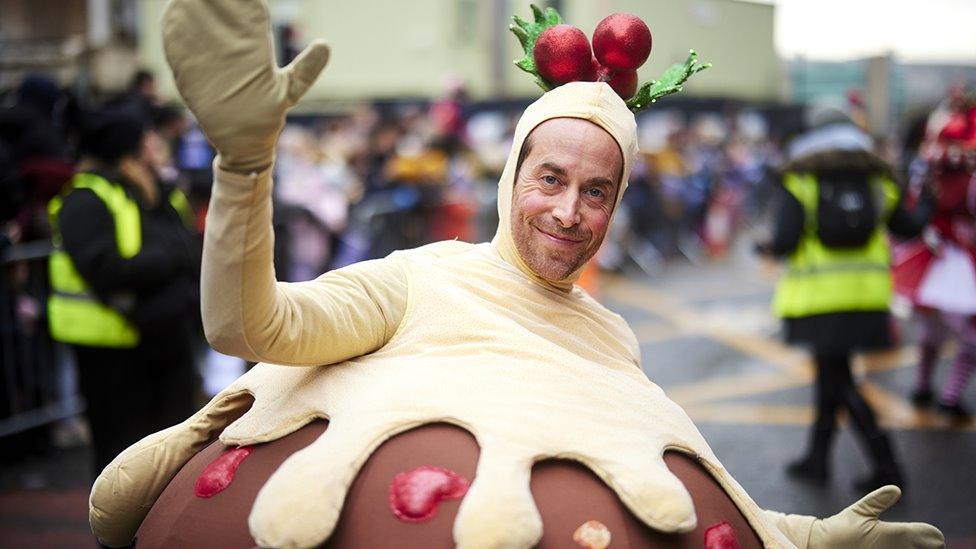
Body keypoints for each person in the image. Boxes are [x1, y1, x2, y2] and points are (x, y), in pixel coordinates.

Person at [88, 2, 943, 548]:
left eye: (596, 191)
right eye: (551, 179)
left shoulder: (613, 335)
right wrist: (245, 165)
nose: (570, 211)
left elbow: (676, 482)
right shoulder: (415, 279)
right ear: (512, 180)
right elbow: (249, 328)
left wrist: (802, 536)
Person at [758, 103, 928, 492]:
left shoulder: (801, 177)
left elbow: (785, 241)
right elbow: (908, 227)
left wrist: (767, 246)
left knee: (839, 380)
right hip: (866, 298)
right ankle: (817, 458)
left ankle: (888, 466)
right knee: (832, 376)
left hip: (818, 299)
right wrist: (933, 201)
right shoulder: (878, 177)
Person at [47, 108, 200, 477]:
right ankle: (118, 535)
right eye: (146, 137)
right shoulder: (86, 198)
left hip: (165, 337)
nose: (156, 142)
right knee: (121, 458)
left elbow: (190, 248)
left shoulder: (158, 190)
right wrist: (170, 258)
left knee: (175, 451)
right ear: (128, 146)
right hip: (113, 347)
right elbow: (106, 269)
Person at [894, 93, 976, 418]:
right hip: (954, 262)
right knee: (968, 337)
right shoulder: (965, 182)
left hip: (932, 257)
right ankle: (948, 396)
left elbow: (914, 211)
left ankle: (924, 388)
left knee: (932, 333)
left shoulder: (924, 175)